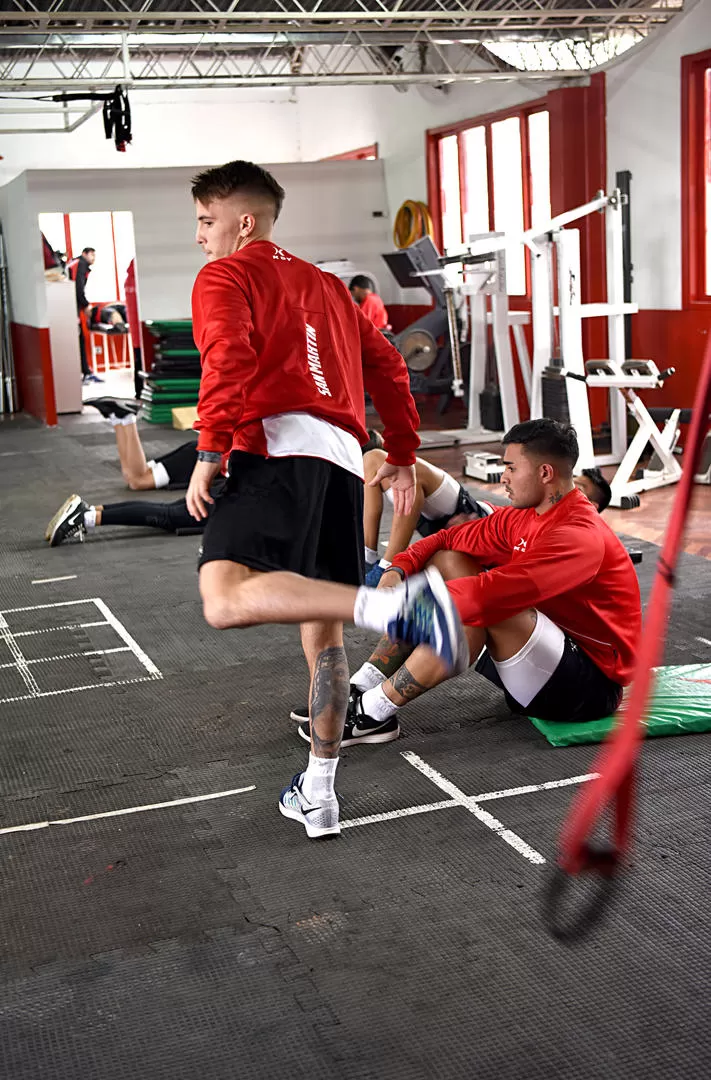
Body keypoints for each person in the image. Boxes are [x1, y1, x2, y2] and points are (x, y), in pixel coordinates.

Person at [184, 158, 468, 839]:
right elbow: (390, 366)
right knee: (324, 639)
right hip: (340, 461)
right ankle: (318, 792)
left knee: (223, 600)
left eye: (206, 221)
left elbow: (229, 354)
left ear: (242, 220)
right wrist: (401, 453)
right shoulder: (330, 289)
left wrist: (209, 447)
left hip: (272, 447)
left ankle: (391, 604)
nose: (200, 237)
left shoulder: (226, 274)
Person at [293, 419, 641, 749]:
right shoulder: (525, 515)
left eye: (511, 468)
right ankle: (361, 685)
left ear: (545, 473)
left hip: (586, 687)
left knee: (478, 606)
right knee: (449, 560)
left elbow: (487, 596)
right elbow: (448, 538)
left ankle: (373, 712)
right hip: (540, 659)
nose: (503, 477)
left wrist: (393, 605)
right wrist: (397, 570)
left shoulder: (578, 536)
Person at [362, 429, 494, 586]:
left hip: (477, 522)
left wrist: (387, 566)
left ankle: (379, 564)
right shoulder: (384, 478)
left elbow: (410, 501)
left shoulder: (377, 459)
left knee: (371, 460)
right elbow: (371, 510)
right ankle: (369, 560)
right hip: (448, 540)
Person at [68, 246, 102, 385]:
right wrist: (86, 305)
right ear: (84, 254)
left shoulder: (75, 263)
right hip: (71, 308)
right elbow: (78, 289)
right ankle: (85, 373)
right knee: (79, 339)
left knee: (79, 338)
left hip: (71, 307)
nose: (93, 258)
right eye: (91, 255)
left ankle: (85, 371)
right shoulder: (80, 264)